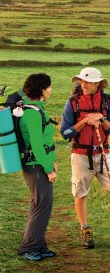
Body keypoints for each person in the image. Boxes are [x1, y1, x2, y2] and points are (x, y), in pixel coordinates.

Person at [60, 67, 110, 249]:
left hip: (104, 154)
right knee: (80, 194)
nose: (83, 84)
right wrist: (84, 121)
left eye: (87, 81)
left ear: (98, 84)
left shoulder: (108, 101)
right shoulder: (72, 103)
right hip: (80, 155)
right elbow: (64, 133)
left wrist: (101, 118)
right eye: (81, 81)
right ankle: (85, 230)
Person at [16, 73, 58, 261]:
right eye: (48, 87)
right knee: (42, 205)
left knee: (38, 204)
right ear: (42, 90)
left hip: (36, 165)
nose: (50, 90)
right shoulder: (32, 113)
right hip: (36, 166)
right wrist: (49, 169)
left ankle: (39, 245)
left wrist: (52, 160)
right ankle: (29, 247)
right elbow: (37, 146)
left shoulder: (34, 109)